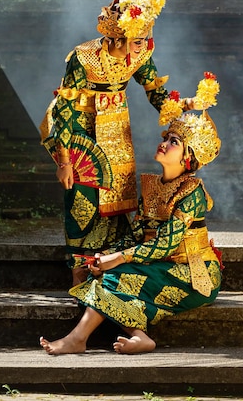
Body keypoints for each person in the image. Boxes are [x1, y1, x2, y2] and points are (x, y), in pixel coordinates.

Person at [40, 76, 222, 355]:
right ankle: (139, 336)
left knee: (117, 276)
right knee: (97, 273)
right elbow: (137, 233)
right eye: (166, 138)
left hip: (193, 274)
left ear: (188, 157)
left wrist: (120, 258)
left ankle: (77, 339)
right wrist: (101, 257)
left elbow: (167, 244)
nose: (164, 143)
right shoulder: (150, 186)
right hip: (161, 264)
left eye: (174, 141)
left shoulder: (191, 193)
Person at [40, 0, 194, 285]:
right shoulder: (82, 57)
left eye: (146, 38)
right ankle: (79, 279)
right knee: (83, 202)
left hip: (117, 130)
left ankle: (108, 274)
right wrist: (65, 161)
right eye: (138, 40)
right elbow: (64, 110)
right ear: (117, 35)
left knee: (119, 203)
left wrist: (188, 105)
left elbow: (156, 93)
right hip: (80, 132)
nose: (144, 45)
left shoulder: (139, 54)